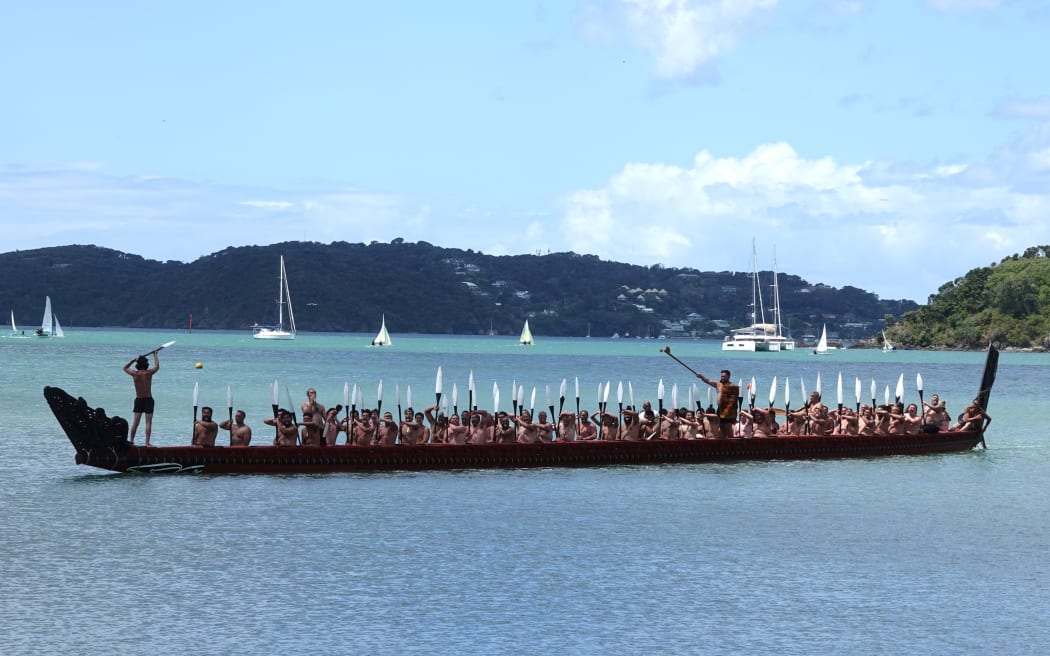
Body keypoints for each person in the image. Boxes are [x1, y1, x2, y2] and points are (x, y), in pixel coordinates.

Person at [123, 351, 160, 446]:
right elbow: (157, 366)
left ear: (138, 364)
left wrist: (132, 360)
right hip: (148, 399)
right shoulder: (149, 373)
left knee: (136, 422)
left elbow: (125, 368)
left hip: (139, 400)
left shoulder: (135, 374)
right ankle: (147, 443)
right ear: (146, 364)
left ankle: (131, 441)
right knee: (148, 423)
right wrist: (155, 355)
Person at [696, 369, 739, 439]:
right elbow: (708, 381)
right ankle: (723, 441)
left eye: (724, 376)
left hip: (729, 410)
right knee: (721, 426)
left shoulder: (733, 386)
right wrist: (701, 376)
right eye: (721, 376)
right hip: (720, 409)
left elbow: (735, 399)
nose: (722, 378)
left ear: (728, 377)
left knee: (728, 426)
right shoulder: (718, 384)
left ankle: (731, 441)